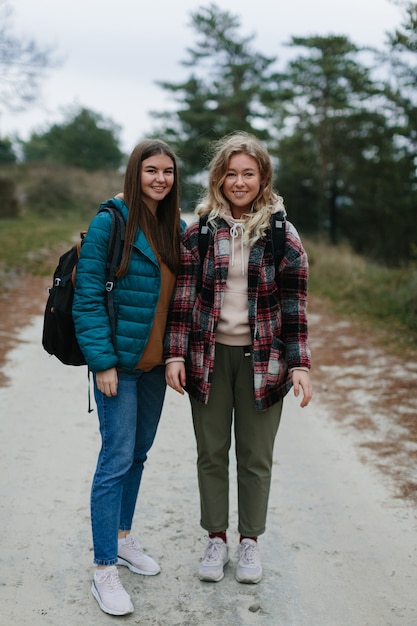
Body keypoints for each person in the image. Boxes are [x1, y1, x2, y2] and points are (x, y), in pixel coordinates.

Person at [164, 131, 312, 586]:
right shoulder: (199, 233)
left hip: (264, 361)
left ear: (263, 177)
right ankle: (216, 538)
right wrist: (175, 354)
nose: (240, 181)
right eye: (232, 173)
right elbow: (183, 300)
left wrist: (300, 363)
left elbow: (295, 305)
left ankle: (250, 542)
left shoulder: (282, 233)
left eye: (249, 173)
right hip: (208, 359)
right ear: (219, 179)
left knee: (255, 456)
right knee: (211, 453)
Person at [73, 139, 184, 616]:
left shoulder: (173, 228)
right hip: (119, 367)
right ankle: (103, 570)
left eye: (168, 172)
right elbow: (88, 297)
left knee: (137, 455)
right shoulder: (110, 222)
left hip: (156, 366)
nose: (160, 178)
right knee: (115, 459)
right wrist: (101, 363)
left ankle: (122, 538)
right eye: (151, 170)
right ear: (134, 174)